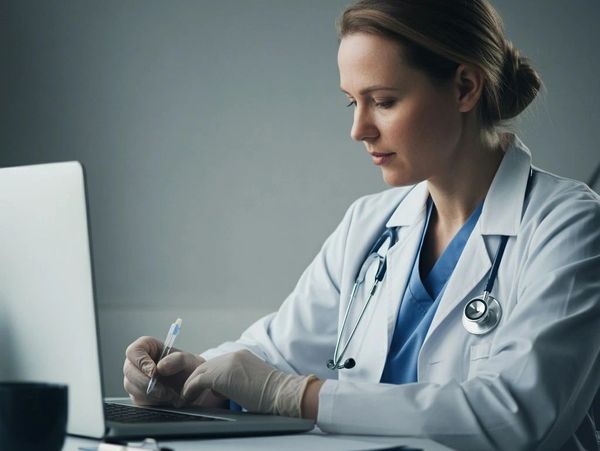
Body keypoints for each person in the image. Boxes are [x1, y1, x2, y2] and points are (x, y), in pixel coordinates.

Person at [122, 1, 600, 449]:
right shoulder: (370, 224)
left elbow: (516, 414)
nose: (360, 129)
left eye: (384, 101)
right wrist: (189, 380)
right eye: (353, 102)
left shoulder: (567, 225)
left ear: (464, 88)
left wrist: (298, 397)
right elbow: (275, 355)